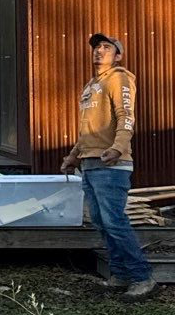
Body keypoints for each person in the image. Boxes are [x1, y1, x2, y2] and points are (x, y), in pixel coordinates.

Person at [61, 32, 155, 298]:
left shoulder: (119, 79)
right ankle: (121, 274)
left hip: (112, 164)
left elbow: (126, 117)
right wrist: (72, 156)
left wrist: (117, 148)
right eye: (96, 47)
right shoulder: (91, 85)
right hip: (90, 163)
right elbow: (87, 131)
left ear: (118, 55)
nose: (99, 51)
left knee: (114, 221)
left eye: (106, 47)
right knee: (102, 222)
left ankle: (142, 277)